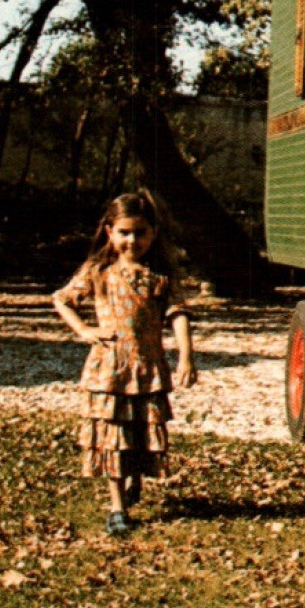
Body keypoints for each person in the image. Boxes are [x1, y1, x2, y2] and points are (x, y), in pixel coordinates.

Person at [53, 191, 197, 536]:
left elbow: (178, 315)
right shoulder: (99, 271)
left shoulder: (159, 277)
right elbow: (62, 299)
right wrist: (84, 329)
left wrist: (186, 356)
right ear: (109, 231)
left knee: (141, 433)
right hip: (109, 370)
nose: (132, 241)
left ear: (153, 233)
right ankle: (117, 506)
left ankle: (134, 479)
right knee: (112, 436)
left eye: (140, 233)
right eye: (124, 233)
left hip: (146, 369)